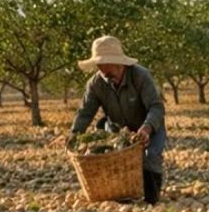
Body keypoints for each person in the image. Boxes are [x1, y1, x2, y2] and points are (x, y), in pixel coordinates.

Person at [71, 36, 167, 203]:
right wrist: (74, 135)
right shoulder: (95, 83)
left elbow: (156, 106)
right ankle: (122, 194)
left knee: (150, 156)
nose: (99, 67)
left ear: (116, 62)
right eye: (98, 63)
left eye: (102, 62)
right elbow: (85, 112)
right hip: (118, 129)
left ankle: (152, 200)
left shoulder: (140, 76)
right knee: (113, 158)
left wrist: (147, 127)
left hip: (149, 125)